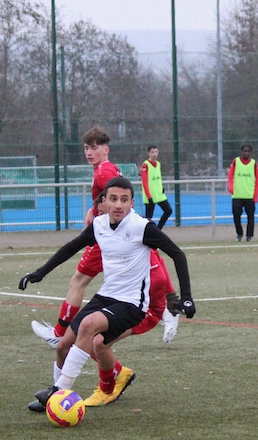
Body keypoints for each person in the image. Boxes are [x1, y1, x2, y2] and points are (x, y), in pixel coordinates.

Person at [19, 176, 196, 412]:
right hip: (106, 296)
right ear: (104, 201)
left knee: (89, 326)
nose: (118, 205)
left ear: (132, 203)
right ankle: (57, 396)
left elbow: (177, 254)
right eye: (113, 199)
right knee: (62, 346)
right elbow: (72, 247)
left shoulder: (142, 227)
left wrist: (185, 297)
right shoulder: (100, 225)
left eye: (124, 200)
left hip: (133, 304)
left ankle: (58, 391)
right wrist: (40, 272)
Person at [30, 126, 121, 347]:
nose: (89, 152)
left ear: (105, 150)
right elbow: (110, 198)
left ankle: (60, 333)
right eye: (86, 148)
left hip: (106, 238)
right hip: (107, 235)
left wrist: (103, 217)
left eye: (94, 147)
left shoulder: (104, 172)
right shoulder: (104, 169)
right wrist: (95, 210)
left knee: (78, 282)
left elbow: (120, 199)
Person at [227, 144, 258, 241]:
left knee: (250, 216)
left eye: (248, 151)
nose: (246, 153)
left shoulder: (253, 163)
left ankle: (249, 236)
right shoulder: (235, 162)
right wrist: (231, 187)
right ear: (241, 152)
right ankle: (239, 234)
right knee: (236, 214)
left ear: (251, 152)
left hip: (249, 195)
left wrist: (256, 194)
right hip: (237, 195)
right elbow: (230, 176)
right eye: (245, 151)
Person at [141, 145, 172, 229]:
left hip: (159, 194)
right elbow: (144, 182)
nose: (154, 154)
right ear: (148, 153)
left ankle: (158, 229)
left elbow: (158, 178)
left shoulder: (158, 164)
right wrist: (148, 195)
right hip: (150, 195)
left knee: (168, 210)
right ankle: (145, 234)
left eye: (156, 152)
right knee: (148, 218)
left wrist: (161, 187)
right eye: (152, 152)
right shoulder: (145, 165)